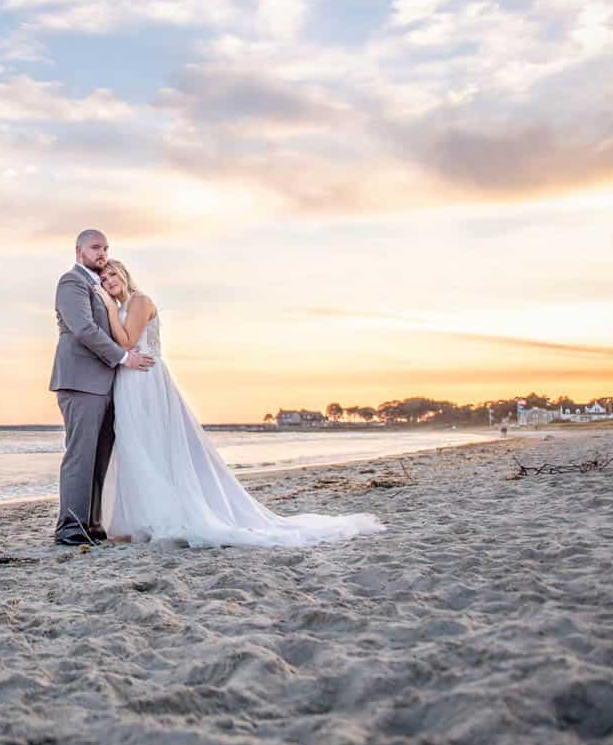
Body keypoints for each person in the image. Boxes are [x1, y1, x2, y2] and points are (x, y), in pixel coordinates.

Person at [91, 258, 384, 547]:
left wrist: (107, 306)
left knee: (155, 444)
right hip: (127, 381)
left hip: (147, 380)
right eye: (103, 280)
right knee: (136, 445)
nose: (109, 282)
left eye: (113, 275)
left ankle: (165, 516)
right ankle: (141, 518)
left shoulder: (140, 300)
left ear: (125, 274)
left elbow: (127, 342)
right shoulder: (119, 308)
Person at [48, 229, 154, 546]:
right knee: (81, 455)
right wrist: (123, 357)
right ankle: (70, 528)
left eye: (106, 248)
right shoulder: (72, 282)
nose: (102, 253)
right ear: (79, 250)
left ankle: (92, 525)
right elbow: (83, 329)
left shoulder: (98, 287)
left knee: (99, 457)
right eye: (96, 248)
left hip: (106, 383)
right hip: (80, 380)